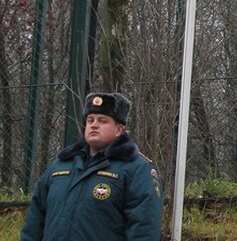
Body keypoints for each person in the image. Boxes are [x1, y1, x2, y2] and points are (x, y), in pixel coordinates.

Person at [21, 92, 163, 241]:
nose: (94, 125)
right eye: (90, 120)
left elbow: (144, 229)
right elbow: (34, 223)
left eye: (102, 121)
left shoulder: (136, 169)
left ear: (119, 130)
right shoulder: (59, 166)